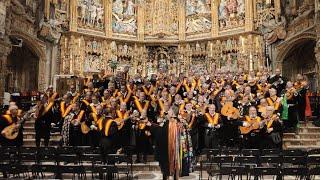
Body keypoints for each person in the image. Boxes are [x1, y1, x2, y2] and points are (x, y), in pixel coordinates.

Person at [147, 107, 194, 180]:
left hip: (168, 150)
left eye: (169, 111)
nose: (167, 112)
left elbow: (160, 132)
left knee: (166, 168)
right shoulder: (181, 122)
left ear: (172, 113)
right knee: (176, 168)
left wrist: (151, 125)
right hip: (178, 150)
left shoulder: (169, 123)